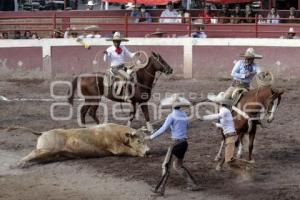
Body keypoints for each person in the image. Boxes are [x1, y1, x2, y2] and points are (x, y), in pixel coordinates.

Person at [145, 94, 201, 195]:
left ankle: (161, 189)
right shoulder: (184, 115)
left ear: (171, 105)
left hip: (176, 143)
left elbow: (162, 129)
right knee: (178, 166)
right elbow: (187, 126)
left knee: (165, 165)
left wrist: (151, 137)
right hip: (184, 143)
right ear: (180, 105)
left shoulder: (171, 116)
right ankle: (193, 184)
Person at [201, 92, 253, 172]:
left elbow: (217, 116)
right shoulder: (225, 111)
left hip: (230, 137)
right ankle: (245, 169)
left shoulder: (224, 111)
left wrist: (204, 117)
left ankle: (248, 166)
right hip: (230, 136)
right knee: (229, 160)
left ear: (219, 103)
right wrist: (216, 125)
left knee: (229, 160)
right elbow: (225, 125)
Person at [103, 31, 135, 101]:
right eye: (115, 41)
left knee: (133, 74)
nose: (117, 43)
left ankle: (132, 92)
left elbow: (130, 54)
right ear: (113, 41)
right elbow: (105, 59)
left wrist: (135, 54)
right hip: (115, 69)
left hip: (122, 67)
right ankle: (126, 95)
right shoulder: (109, 49)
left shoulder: (123, 47)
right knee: (127, 77)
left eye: (118, 41)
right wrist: (106, 54)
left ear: (120, 41)